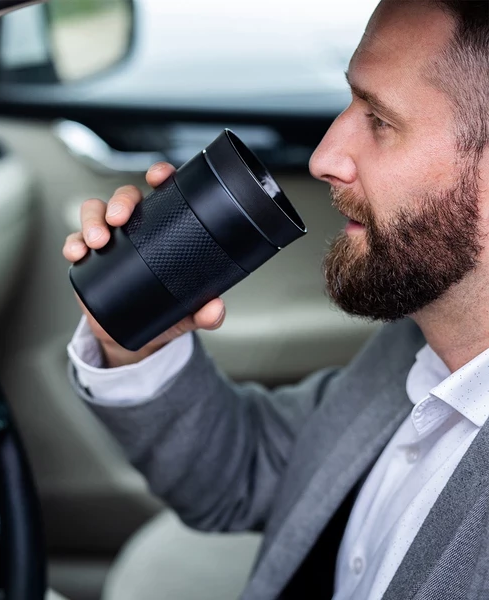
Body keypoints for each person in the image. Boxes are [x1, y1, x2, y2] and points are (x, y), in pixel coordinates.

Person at [62, 0, 489, 598]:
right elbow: (249, 473)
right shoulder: (414, 345)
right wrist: (136, 338)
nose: (322, 159)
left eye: (379, 120)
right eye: (350, 102)